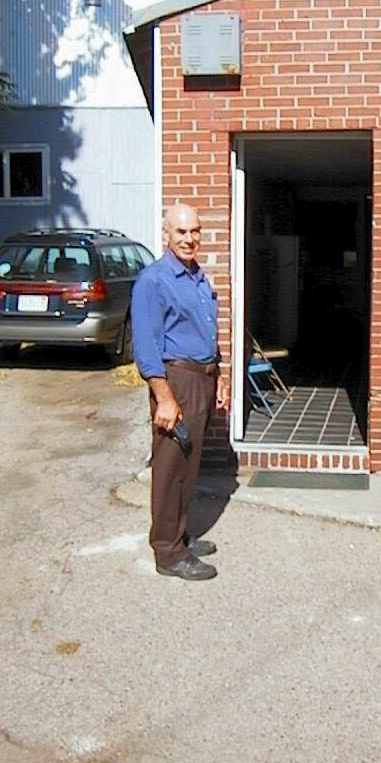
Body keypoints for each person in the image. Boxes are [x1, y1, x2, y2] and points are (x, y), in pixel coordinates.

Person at [131, 203, 228, 582]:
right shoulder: (154, 281)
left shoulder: (197, 277)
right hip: (176, 381)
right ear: (166, 235)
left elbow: (206, 333)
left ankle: (179, 534)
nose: (189, 239)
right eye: (181, 232)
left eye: (195, 232)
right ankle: (168, 552)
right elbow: (146, 344)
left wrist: (218, 374)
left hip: (200, 378)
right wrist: (165, 397)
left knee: (189, 465)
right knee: (171, 468)